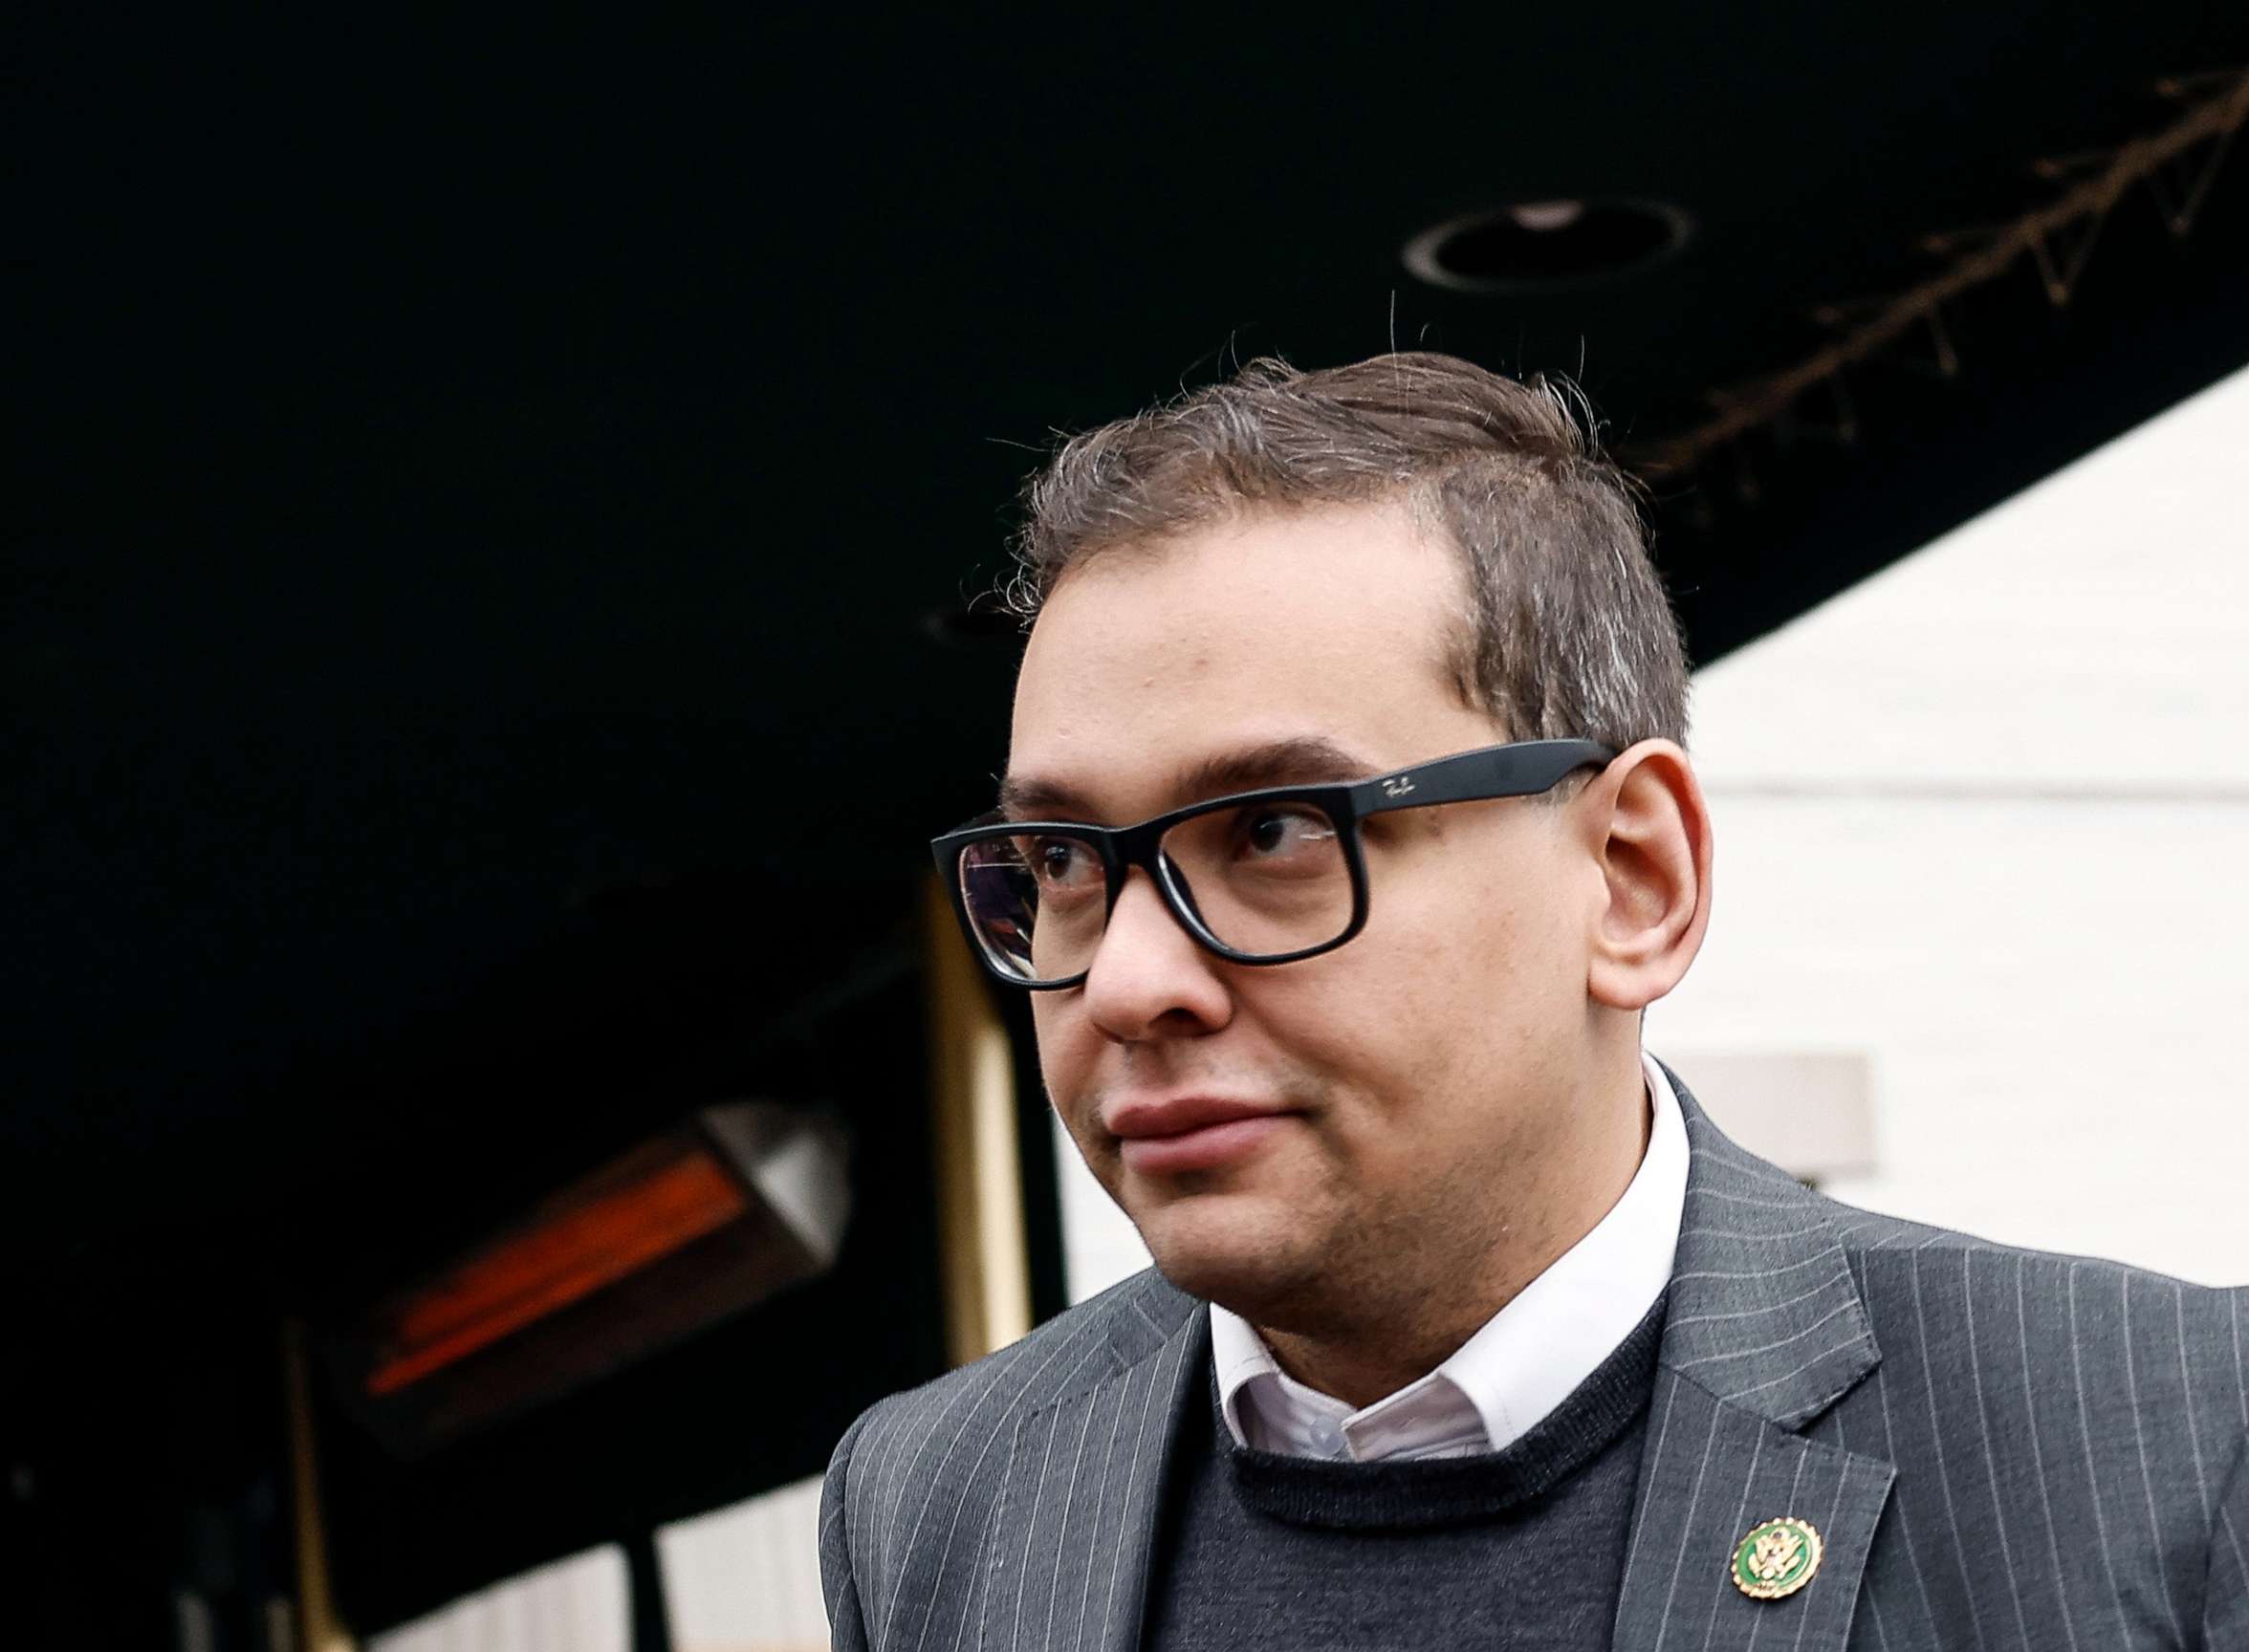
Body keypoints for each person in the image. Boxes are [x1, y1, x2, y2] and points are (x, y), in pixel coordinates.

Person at [819, 352, 2249, 1650]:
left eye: (1274, 833)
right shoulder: (935, 1502)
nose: (1130, 981)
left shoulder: (2161, 1439)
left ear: (1632, 881)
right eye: (1066, 861)